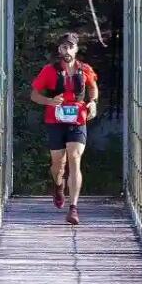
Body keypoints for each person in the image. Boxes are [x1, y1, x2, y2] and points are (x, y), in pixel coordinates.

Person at [30, 32, 98, 225]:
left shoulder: (84, 70)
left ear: (76, 49)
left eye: (70, 47)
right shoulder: (49, 71)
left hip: (78, 119)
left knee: (75, 158)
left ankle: (73, 208)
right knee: (58, 163)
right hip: (55, 120)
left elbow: (93, 88)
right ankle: (58, 185)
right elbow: (34, 95)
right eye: (63, 47)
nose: (66, 51)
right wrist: (50, 101)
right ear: (59, 50)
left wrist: (92, 102)